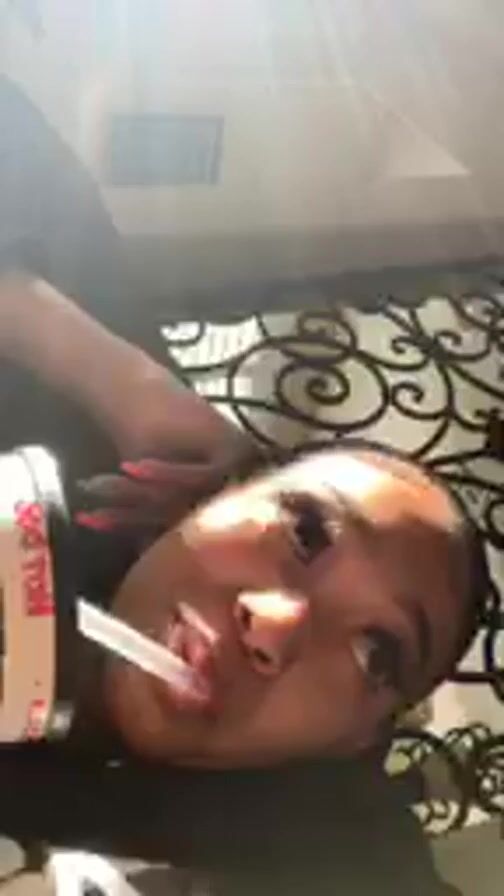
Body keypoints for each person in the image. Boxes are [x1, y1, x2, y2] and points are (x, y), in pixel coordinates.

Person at [0, 75, 476, 894]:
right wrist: (109, 373)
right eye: (305, 533)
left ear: (355, 744)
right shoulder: (76, 447)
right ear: (206, 500)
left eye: (376, 652)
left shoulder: (320, 844)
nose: (276, 625)